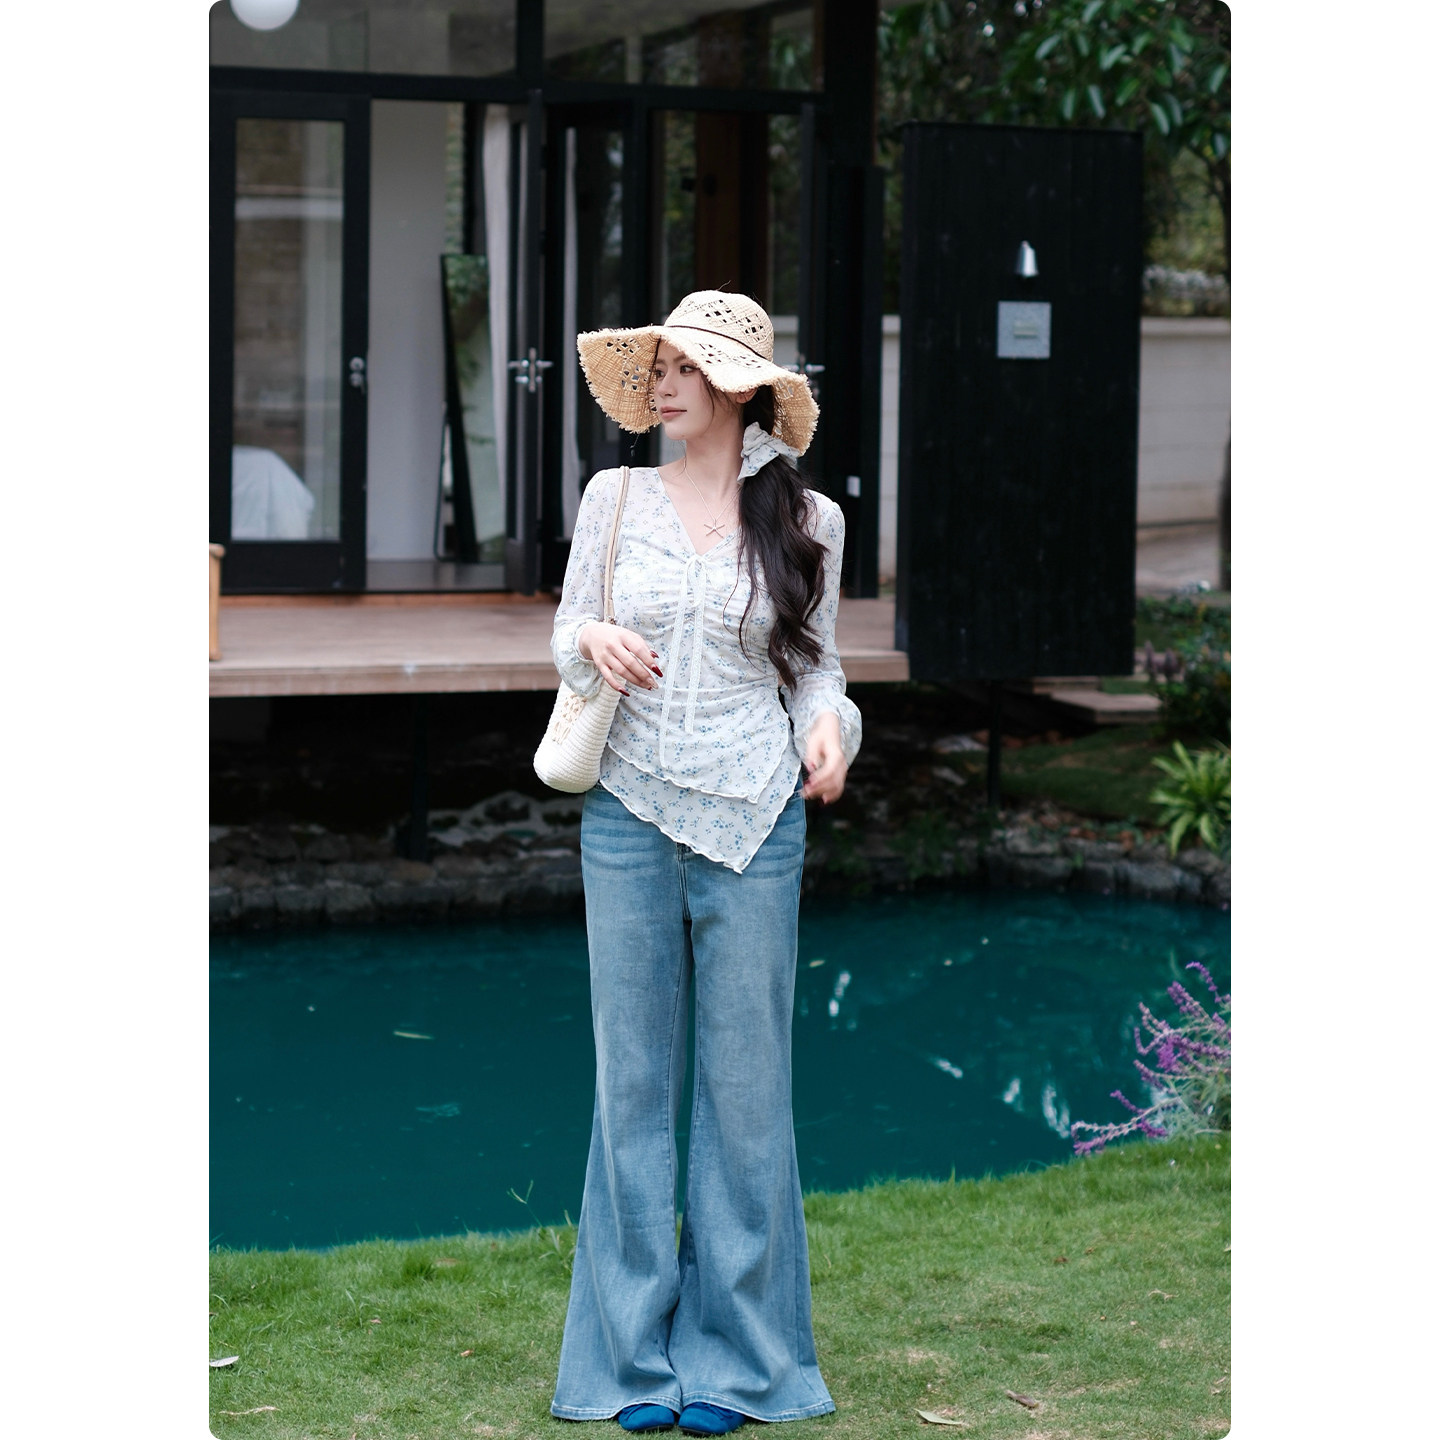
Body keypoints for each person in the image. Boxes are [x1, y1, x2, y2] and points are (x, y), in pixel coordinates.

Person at [547, 291, 862, 1436]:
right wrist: (591, 639)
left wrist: (832, 733)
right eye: (658, 367)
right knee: (631, 1088)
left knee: (745, 1097)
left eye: (684, 368)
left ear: (738, 388)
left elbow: (817, 669)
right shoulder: (614, 499)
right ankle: (631, 1363)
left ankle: (735, 1364)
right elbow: (565, 630)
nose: (662, 385)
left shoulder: (810, 520)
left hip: (757, 822)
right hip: (626, 814)